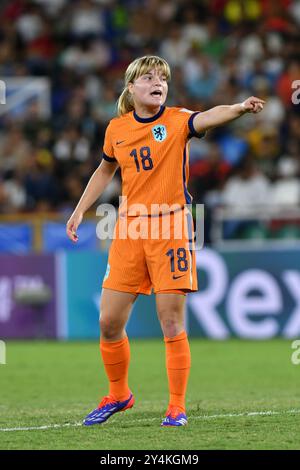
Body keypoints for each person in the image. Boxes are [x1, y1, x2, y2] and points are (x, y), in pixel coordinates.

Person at [66, 55, 265, 427]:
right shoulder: (116, 129)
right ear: (131, 88)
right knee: (108, 322)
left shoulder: (176, 121)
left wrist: (239, 108)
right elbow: (105, 168)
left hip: (171, 227)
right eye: (149, 77)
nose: (158, 82)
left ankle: (176, 406)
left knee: (170, 321)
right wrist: (80, 209)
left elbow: (208, 116)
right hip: (129, 229)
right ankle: (119, 394)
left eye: (163, 77)